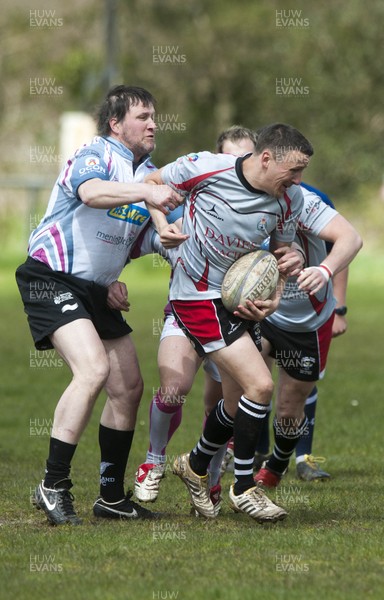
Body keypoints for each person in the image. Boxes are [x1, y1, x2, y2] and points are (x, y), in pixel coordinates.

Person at [15, 85, 183, 526]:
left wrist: (171, 244)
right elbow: (91, 194)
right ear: (115, 122)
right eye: (143, 116)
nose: (153, 124)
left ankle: (110, 496)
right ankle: (53, 485)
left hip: (95, 290)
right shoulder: (97, 153)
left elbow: (139, 237)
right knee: (92, 369)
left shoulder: (146, 174)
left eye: (154, 116)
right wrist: (146, 195)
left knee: (128, 387)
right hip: (50, 276)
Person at [145, 123, 315, 522]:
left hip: (240, 301)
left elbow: (280, 252)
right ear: (266, 157)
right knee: (262, 385)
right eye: (293, 170)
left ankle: (196, 465)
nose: (298, 179)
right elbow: (152, 181)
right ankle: (243, 488)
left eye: (302, 171)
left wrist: (275, 293)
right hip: (197, 296)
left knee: (238, 402)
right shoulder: (206, 168)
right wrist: (160, 225)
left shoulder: (290, 199)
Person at [133, 126, 258, 507]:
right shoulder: (181, 213)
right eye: (233, 158)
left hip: (233, 322)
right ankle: (152, 463)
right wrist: (108, 283)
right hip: (186, 314)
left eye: (248, 157)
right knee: (173, 389)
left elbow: (281, 263)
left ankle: (208, 478)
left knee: (225, 406)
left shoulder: (262, 219)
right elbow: (133, 241)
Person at [251, 190, 362, 489]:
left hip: (306, 323)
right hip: (260, 312)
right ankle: (233, 465)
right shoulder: (237, 197)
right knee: (247, 386)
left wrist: (335, 298)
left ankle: (278, 464)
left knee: (289, 406)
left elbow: (346, 243)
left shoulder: (312, 200)